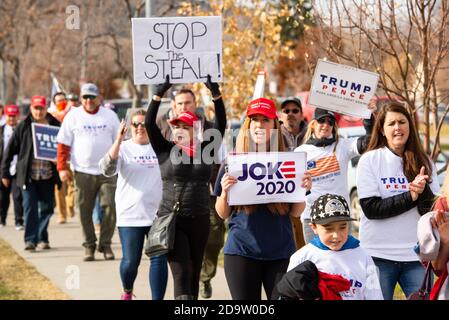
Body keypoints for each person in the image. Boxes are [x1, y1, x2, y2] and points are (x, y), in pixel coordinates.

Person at [215, 97, 312, 300]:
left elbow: (295, 212)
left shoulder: (289, 161)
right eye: (254, 120)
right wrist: (225, 192)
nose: (259, 125)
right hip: (241, 251)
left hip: (280, 251)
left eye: (265, 120)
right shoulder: (233, 161)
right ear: (248, 126)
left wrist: (302, 190)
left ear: (274, 125)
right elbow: (222, 213)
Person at [146, 75, 226, 300]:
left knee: (193, 277)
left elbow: (222, 123)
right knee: (181, 276)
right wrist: (158, 94)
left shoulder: (207, 149)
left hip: (200, 218)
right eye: (177, 125)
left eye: (186, 126)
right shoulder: (164, 149)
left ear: (195, 129)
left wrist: (216, 95)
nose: (180, 129)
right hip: (173, 220)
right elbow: (148, 124)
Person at [356, 101, 440, 300]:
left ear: (409, 126)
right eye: (391, 123)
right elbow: (372, 209)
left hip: (417, 256)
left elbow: (431, 211)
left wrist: (423, 190)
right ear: (382, 130)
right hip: (377, 256)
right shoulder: (370, 160)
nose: (397, 127)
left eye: (402, 122)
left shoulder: (425, 161)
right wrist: (410, 196)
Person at [99, 109, 168, 300]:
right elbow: (106, 169)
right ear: (129, 127)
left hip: (157, 215)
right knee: (131, 262)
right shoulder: (124, 148)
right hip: (130, 215)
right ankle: (127, 291)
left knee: (159, 258)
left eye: (144, 124)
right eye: (136, 124)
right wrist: (118, 141)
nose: (140, 128)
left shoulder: (159, 147)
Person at [294, 101, 376, 243]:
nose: (325, 125)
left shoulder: (342, 145)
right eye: (321, 121)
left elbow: (370, 142)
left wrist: (368, 116)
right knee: (317, 263)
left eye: (330, 122)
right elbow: (295, 188)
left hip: (340, 216)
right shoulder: (300, 152)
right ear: (313, 124)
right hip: (312, 217)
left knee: (340, 262)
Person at [57, 83, 120, 261]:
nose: (88, 101)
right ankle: (89, 246)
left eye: (92, 97)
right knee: (84, 210)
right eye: (85, 97)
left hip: (107, 171)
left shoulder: (110, 116)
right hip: (82, 171)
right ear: (81, 98)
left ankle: (105, 244)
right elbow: (63, 144)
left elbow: (120, 141)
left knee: (110, 208)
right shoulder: (73, 116)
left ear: (98, 97)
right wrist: (62, 167)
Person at [287, 193, 384, 299]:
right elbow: (289, 294)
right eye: (328, 228)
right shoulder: (301, 258)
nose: (336, 235)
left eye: (342, 227)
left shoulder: (364, 257)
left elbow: (374, 295)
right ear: (314, 227)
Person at [1, 96, 61, 250]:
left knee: (48, 208)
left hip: (48, 176)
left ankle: (42, 236)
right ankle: (30, 240)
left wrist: (60, 161)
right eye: (36, 108)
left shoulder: (55, 125)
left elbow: (64, 148)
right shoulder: (24, 126)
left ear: (46, 108)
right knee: (30, 209)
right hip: (29, 177)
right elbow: (9, 151)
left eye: (41, 108)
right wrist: (5, 173)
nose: (39, 111)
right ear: (31, 109)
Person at [279, 96, 308, 251]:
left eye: (295, 110)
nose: (290, 113)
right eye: (286, 111)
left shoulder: (312, 134)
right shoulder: (273, 136)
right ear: (280, 115)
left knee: (305, 243)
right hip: (282, 196)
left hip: (308, 196)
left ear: (301, 114)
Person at [0, 104, 23, 230]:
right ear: (5, 116)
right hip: (3, 168)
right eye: (9, 116)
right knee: (2, 196)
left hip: (18, 168)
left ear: (17, 116)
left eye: (14, 116)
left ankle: (19, 221)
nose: (12, 119)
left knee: (18, 196)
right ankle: (2, 219)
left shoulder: (22, 130)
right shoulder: (1, 130)